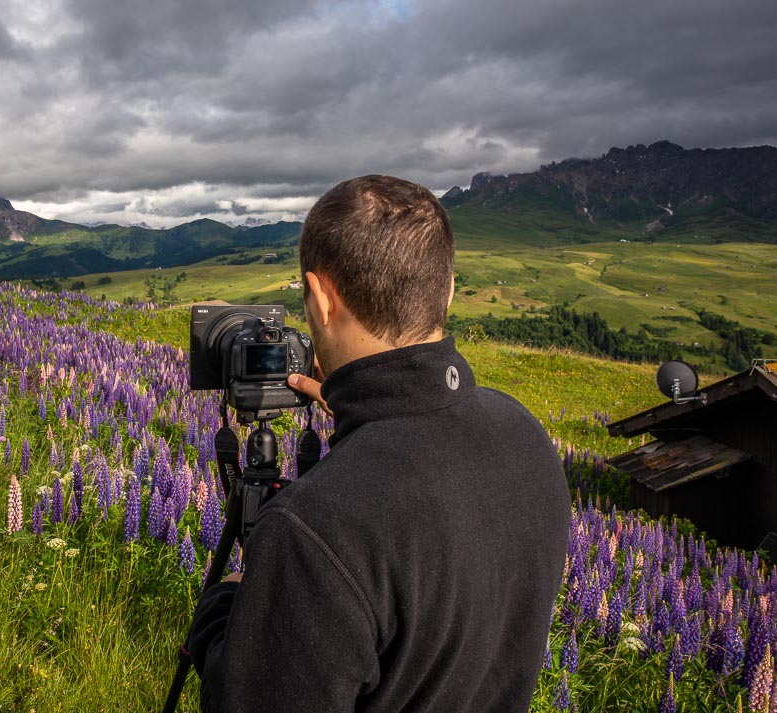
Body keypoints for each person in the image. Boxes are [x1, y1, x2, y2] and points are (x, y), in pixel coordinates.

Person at [188, 175, 571, 712]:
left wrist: (227, 598)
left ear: (321, 299)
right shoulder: (527, 438)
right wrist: (361, 416)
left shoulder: (317, 527)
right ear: (450, 289)